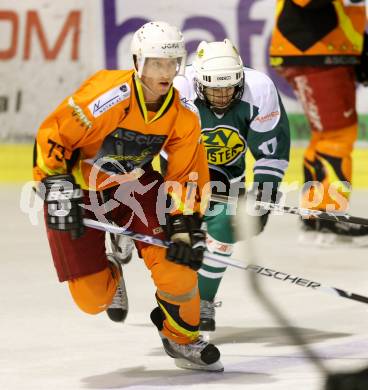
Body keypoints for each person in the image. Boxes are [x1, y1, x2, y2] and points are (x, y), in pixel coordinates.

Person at [32, 21, 223, 371]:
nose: (165, 72)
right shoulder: (108, 94)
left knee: (178, 262)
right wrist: (56, 187)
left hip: (132, 187)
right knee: (92, 300)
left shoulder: (182, 116)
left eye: (172, 63)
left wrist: (183, 222)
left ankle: (181, 337)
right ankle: (112, 271)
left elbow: (187, 175)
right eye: (156, 63)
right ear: (137, 62)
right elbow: (54, 136)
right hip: (75, 193)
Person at [173, 39, 291, 331]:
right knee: (179, 246)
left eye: (229, 87)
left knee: (225, 229)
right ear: (199, 83)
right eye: (214, 88)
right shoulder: (179, 90)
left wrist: (263, 196)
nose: (223, 95)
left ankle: (202, 301)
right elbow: (163, 146)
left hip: (230, 179)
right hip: (180, 177)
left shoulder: (259, 89)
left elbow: (271, 151)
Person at [270, 0, 368, 246]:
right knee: (336, 135)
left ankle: (317, 215)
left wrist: (359, 45)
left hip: (326, 49)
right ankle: (326, 214)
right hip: (314, 50)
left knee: (326, 135)